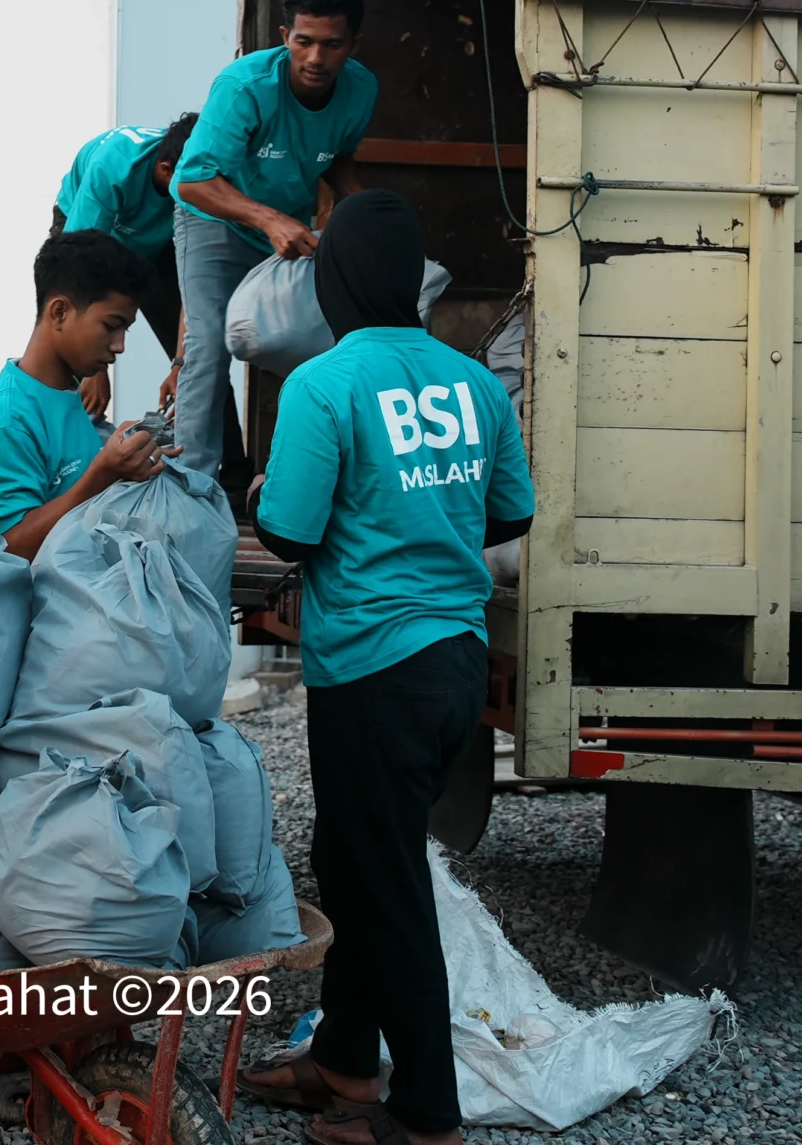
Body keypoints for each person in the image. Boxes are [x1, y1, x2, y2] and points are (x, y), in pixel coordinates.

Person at [237, 191, 532, 1145]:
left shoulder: (325, 385)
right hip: (451, 661)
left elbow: (286, 530)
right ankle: (347, 1063)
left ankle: (428, 1117)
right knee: (352, 857)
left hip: (373, 669)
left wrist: (266, 493)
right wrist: (425, 529)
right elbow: (510, 514)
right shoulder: (474, 381)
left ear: (334, 280)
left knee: (388, 883)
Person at [169, 0, 378, 483]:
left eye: (332, 45)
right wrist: (268, 219)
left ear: (353, 44)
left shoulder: (361, 90)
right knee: (209, 343)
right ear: (284, 37)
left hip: (288, 227)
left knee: (311, 342)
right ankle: (191, 485)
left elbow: (335, 159)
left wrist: (370, 218)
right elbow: (192, 180)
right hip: (214, 217)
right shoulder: (243, 86)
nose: (315, 58)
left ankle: (301, 479)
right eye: (303, 42)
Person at [0, 229, 172, 562]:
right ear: (60, 313)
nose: (119, 345)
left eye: (126, 330)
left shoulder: (66, 393)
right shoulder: (8, 420)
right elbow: (11, 550)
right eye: (111, 325)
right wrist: (104, 472)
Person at [51, 112, 212, 436]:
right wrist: (94, 370)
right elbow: (77, 268)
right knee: (65, 342)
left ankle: (234, 475)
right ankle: (66, 444)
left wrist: (181, 365)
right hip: (86, 239)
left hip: (154, 241)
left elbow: (195, 291)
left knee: (202, 359)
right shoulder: (113, 168)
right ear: (166, 170)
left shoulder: (201, 181)